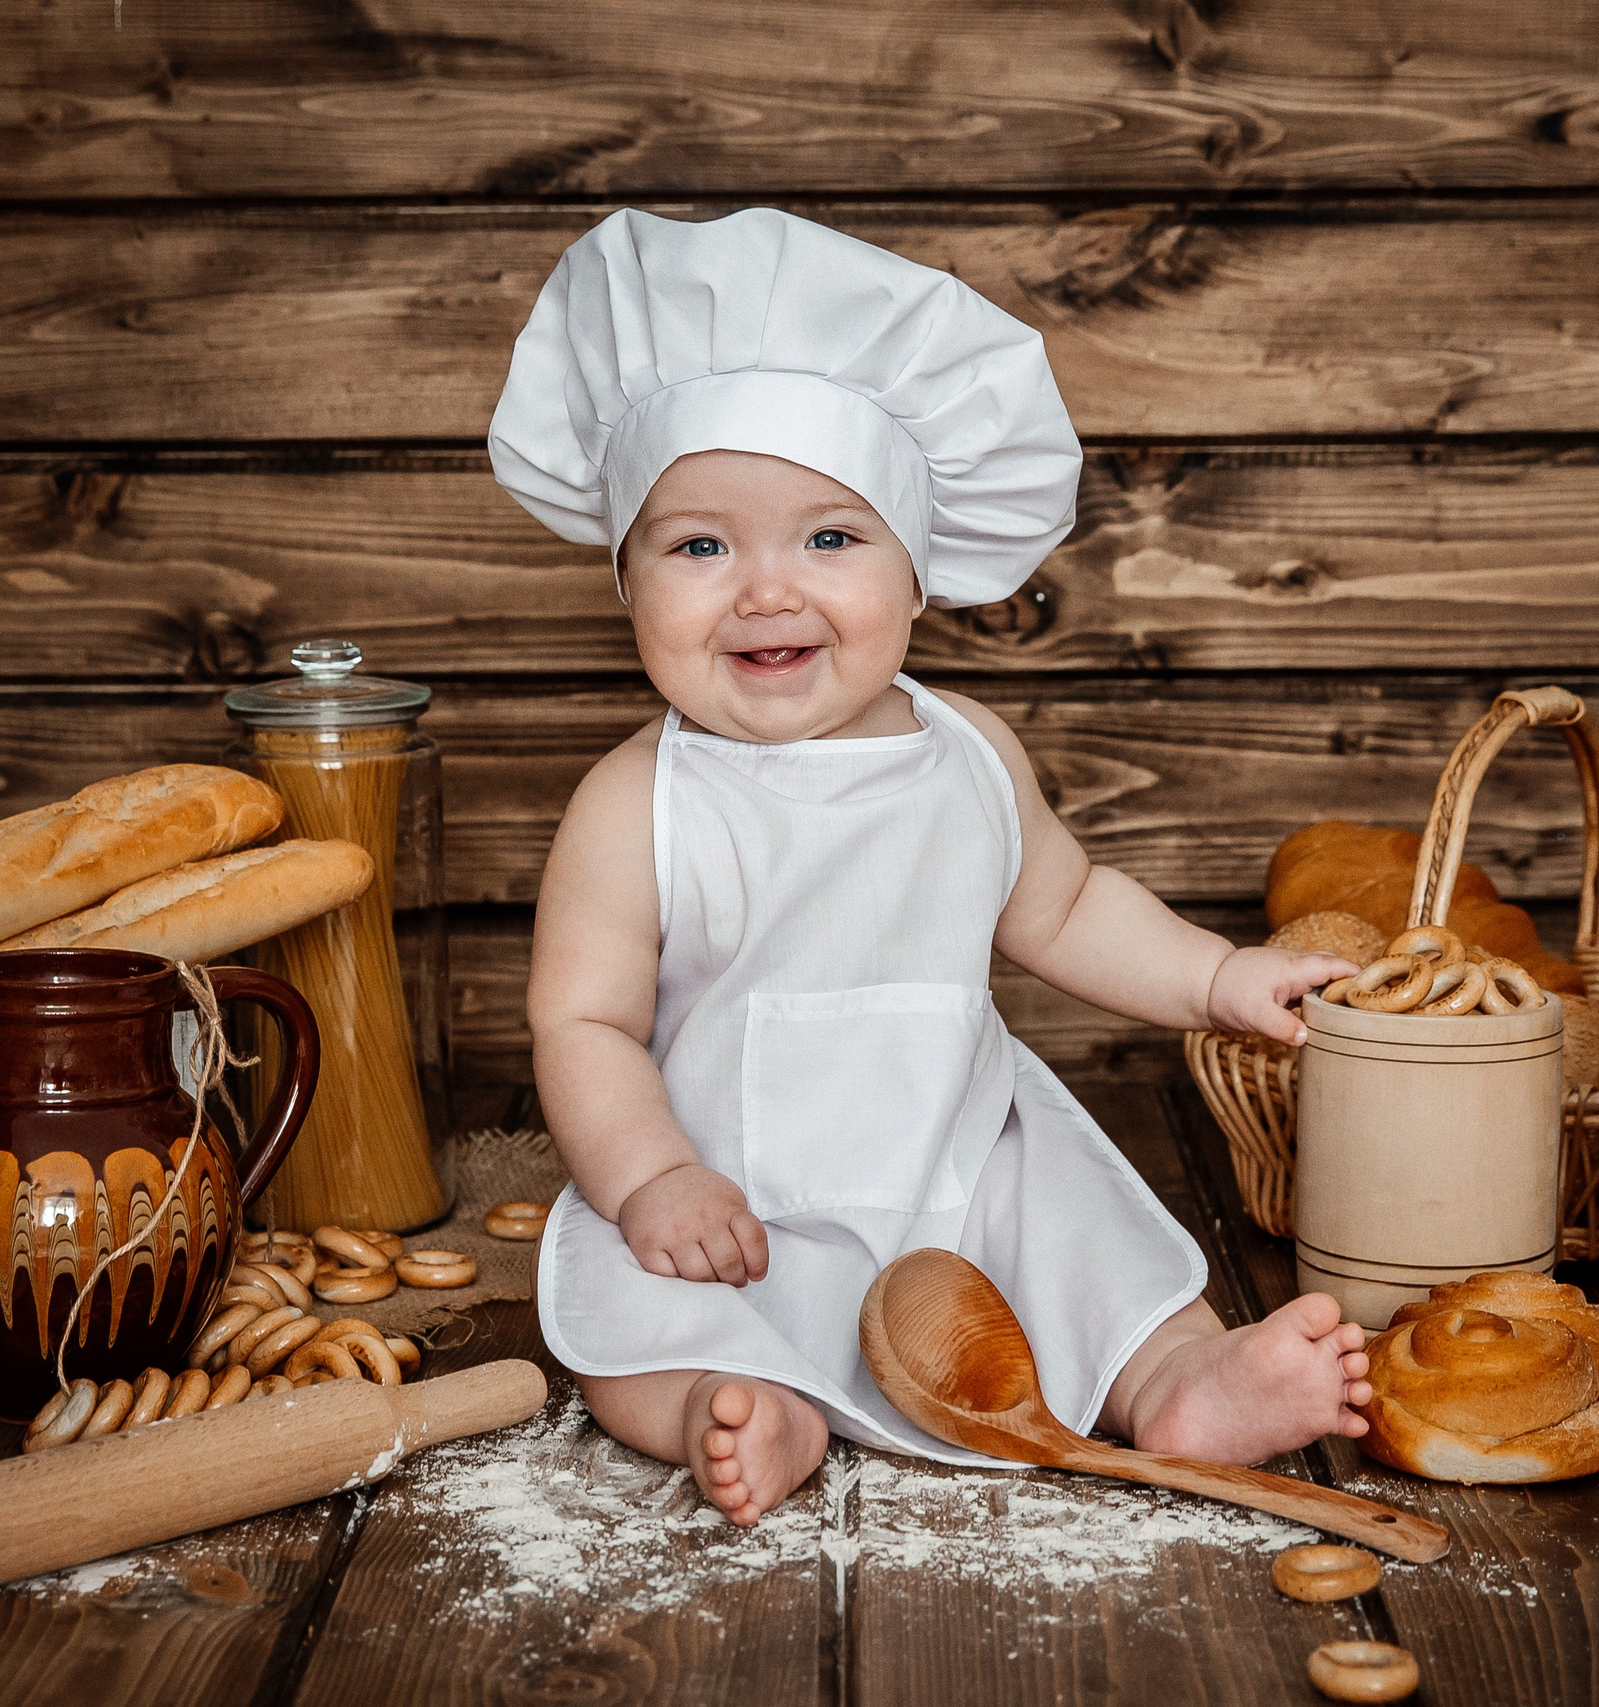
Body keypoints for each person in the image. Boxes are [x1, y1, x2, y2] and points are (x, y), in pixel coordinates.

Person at [494, 208, 1372, 1526]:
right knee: (637, 1331)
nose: (765, 591)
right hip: (732, 1193)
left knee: (1082, 1239)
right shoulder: (637, 802)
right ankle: (731, 1413)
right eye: (699, 546)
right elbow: (583, 1018)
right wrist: (651, 1178)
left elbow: (1068, 907)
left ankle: (1178, 1381)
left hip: (958, 1158)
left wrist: (1217, 978)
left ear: (921, 573)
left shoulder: (967, 756)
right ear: (625, 581)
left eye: (831, 539)